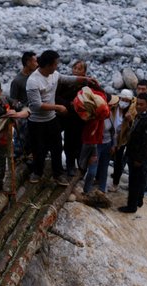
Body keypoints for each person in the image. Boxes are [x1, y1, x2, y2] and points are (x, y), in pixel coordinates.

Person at [25, 50, 97, 185]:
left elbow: (65, 78)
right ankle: (37, 172)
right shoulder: (33, 81)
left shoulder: (54, 74)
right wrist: (58, 107)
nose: (57, 66)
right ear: (47, 65)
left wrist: (85, 79)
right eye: (55, 64)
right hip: (37, 121)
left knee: (57, 147)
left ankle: (58, 174)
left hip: (51, 119)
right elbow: (36, 105)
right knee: (38, 148)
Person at [118, 93, 147, 213]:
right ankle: (138, 200)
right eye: (137, 104)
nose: (138, 106)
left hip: (138, 157)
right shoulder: (141, 115)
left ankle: (132, 206)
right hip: (133, 153)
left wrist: (139, 159)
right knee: (137, 180)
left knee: (135, 181)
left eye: (141, 104)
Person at [77, 89, 118, 194]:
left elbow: (114, 132)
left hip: (107, 144)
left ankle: (101, 190)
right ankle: (87, 190)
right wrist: (94, 154)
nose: (114, 105)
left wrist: (114, 145)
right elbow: (93, 138)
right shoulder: (95, 119)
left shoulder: (110, 114)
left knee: (104, 168)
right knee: (92, 169)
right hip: (97, 146)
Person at [56, 60, 87, 176]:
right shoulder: (65, 83)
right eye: (75, 68)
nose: (76, 71)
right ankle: (70, 166)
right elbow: (56, 97)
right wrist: (68, 104)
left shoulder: (86, 84)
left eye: (80, 69)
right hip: (67, 116)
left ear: (84, 72)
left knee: (79, 142)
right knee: (68, 141)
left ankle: (80, 166)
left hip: (80, 118)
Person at [10, 51, 38, 158]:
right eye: (35, 61)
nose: (37, 64)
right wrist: (22, 108)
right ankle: (18, 157)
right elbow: (13, 101)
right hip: (23, 115)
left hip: (36, 112)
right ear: (28, 62)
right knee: (21, 138)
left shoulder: (35, 76)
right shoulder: (17, 81)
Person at [110, 89, 137, 192]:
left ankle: (115, 183)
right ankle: (99, 178)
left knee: (118, 162)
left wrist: (130, 122)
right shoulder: (113, 107)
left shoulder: (131, 113)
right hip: (110, 136)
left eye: (127, 100)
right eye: (122, 99)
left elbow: (132, 129)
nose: (124, 102)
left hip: (121, 141)